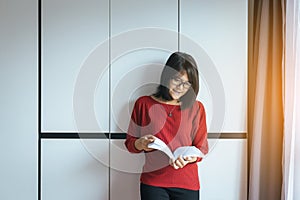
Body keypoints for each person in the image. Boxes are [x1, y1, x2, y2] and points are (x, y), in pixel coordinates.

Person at [125, 52, 208, 200]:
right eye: (177, 80)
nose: (181, 87)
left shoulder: (197, 108)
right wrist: (141, 143)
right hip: (153, 183)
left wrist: (189, 158)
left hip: (187, 184)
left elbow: (201, 148)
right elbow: (130, 143)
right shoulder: (144, 104)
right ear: (166, 77)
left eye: (187, 83)